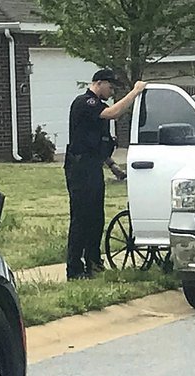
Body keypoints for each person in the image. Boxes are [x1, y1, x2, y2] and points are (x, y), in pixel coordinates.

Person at [65, 69, 146, 280]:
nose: (111, 92)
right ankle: (74, 268)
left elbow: (97, 143)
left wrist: (112, 166)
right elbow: (113, 113)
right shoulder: (85, 103)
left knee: (96, 218)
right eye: (110, 88)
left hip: (93, 165)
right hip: (79, 168)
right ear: (99, 83)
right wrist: (135, 92)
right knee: (81, 218)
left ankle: (93, 262)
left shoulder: (97, 108)